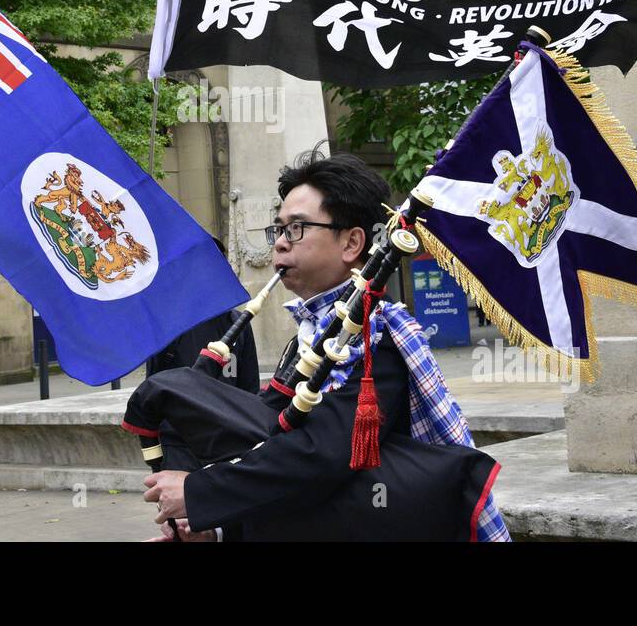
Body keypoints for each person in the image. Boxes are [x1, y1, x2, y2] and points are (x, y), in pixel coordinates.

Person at [142, 150, 510, 541]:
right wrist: (213, 529)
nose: (281, 244)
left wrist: (197, 493)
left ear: (352, 242)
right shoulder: (310, 337)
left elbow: (319, 457)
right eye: (279, 229)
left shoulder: (377, 340)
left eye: (297, 228)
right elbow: (267, 445)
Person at [144, 238, 259, 394]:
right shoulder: (169, 325)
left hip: (227, 417)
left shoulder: (238, 322)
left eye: (219, 263)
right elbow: (153, 388)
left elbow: (250, 389)